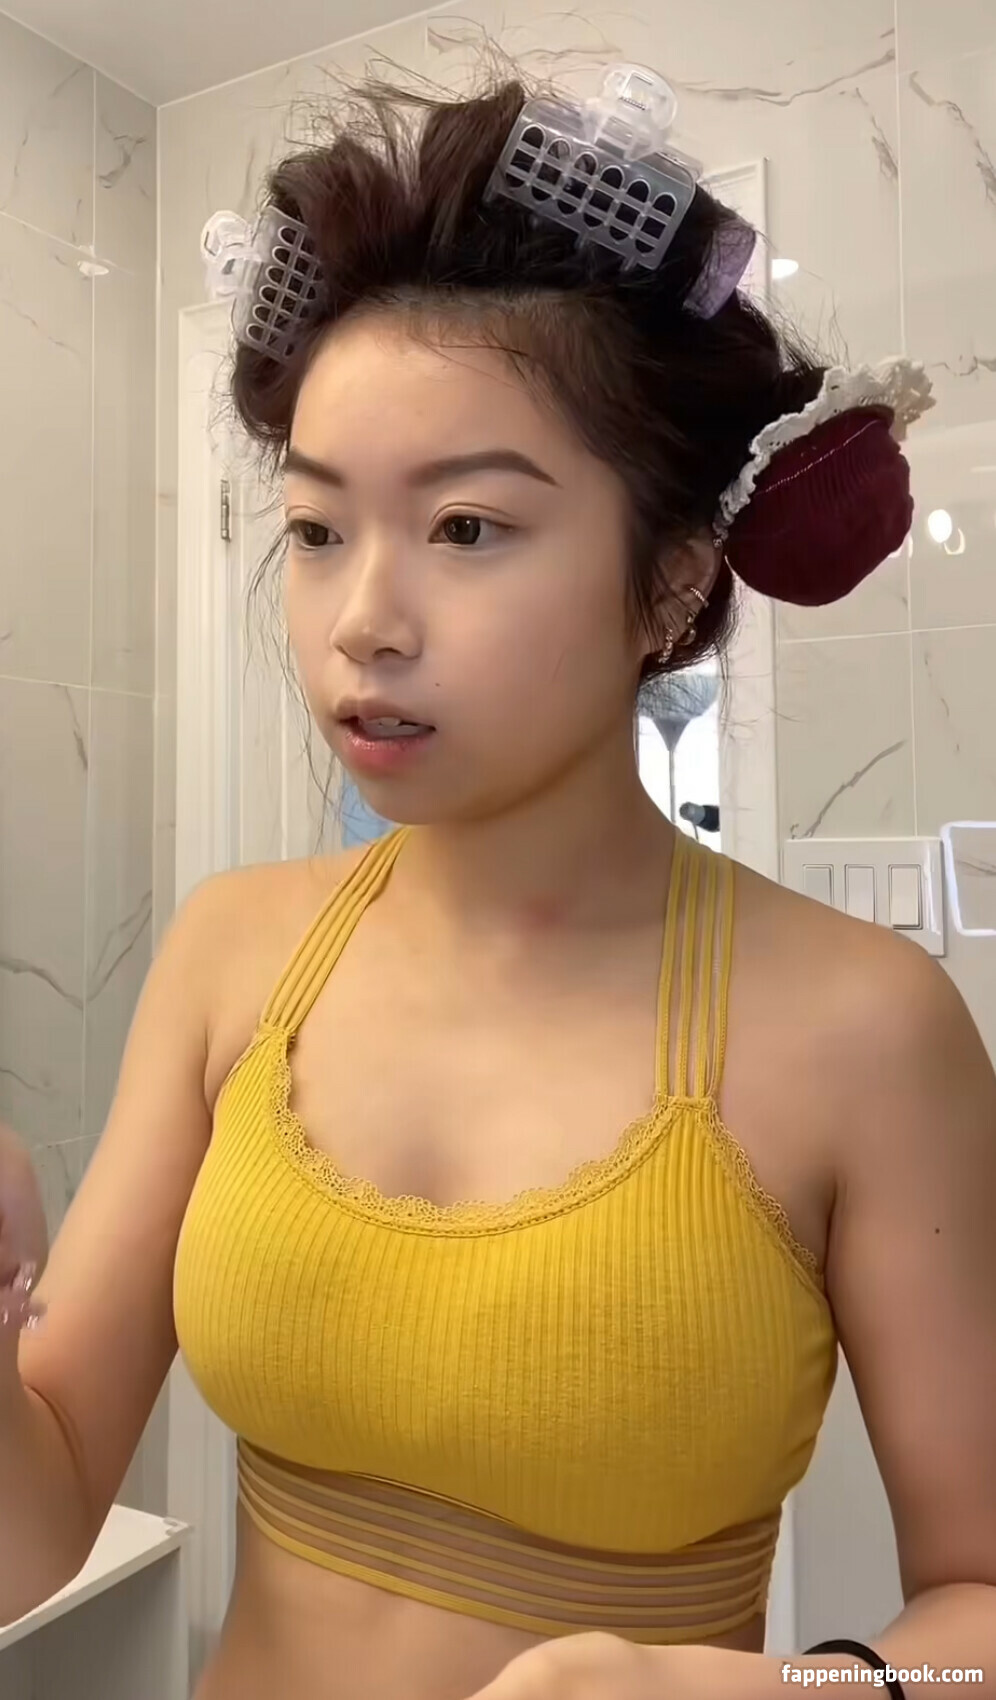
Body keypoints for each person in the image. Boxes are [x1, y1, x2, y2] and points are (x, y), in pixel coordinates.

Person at [2, 65, 995, 1700]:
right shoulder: (233, 955)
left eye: (466, 528)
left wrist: (758, 1690)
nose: (362, 621)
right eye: (318, 530)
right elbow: (32, 1538)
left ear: (671, 581)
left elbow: (978, 1607)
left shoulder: (865, 1031)